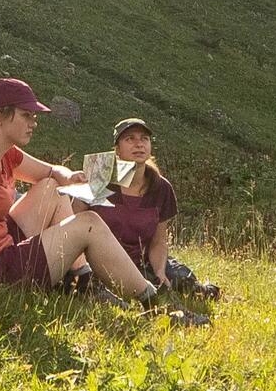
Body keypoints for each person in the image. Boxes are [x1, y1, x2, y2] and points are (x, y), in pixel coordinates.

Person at [0, 78, 165, 311]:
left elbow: (49, 172)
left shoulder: (0, 150)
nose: (33, 122)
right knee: (89, 224)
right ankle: (153, 302)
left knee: (50, 188)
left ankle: (80, 278)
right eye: (26, 115)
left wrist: (68, 176)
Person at [81, 118, 220, 301]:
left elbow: (158, 241)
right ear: (117, 149)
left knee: (180, 279)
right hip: (103, 263)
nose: (139, 144)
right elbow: (76, 222)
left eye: (144, 138)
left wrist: (160, 271)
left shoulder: (161, 188)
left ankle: (200, 290)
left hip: (141, 261)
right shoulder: (99, 178)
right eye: (130, 139)